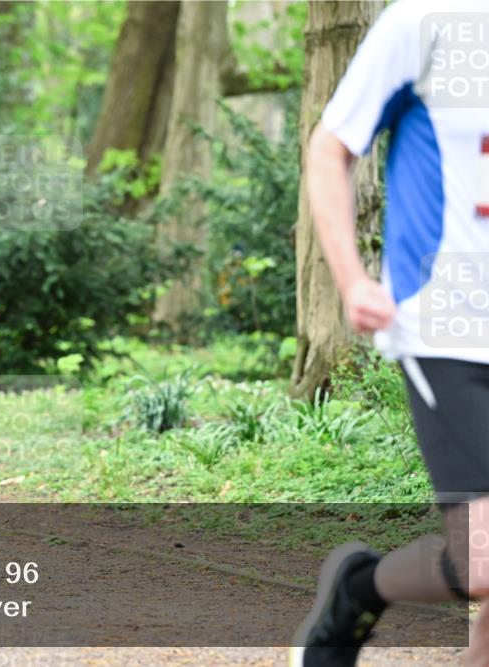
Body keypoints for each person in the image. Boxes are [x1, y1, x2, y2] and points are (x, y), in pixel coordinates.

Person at [290, 2, 488, 666]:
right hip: (447, 329)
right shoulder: (427, 20)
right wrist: (352, 280)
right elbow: (330, 147)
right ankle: (360, 589)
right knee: (483, 559)